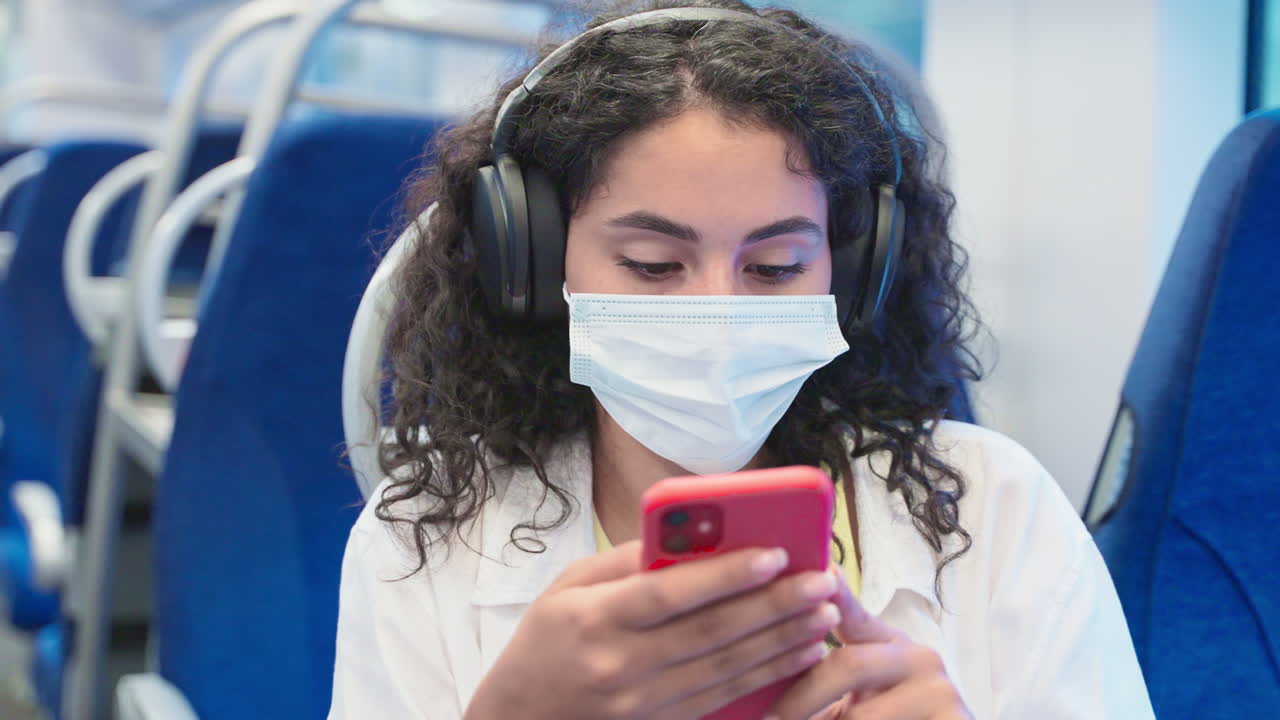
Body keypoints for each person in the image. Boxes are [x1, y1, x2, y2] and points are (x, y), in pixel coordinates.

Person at [328, 2, 1154, 718]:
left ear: (851, 275)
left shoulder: (996, 512)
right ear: (537, 269)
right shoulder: (419, 542)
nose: (714, 309)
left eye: (775, 268)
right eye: (653, 265)